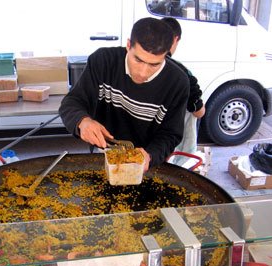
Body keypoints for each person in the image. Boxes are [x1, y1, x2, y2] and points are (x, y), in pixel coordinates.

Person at [59, 17, 189, 172]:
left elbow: (170, 134)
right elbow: (72, 102)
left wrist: (150, 156)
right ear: (128, 45)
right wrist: (82, 121)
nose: (143, 73)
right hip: (103, 153)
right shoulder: (103, 61)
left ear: (166, 55)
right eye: (138, 60)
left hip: (145, 161)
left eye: (154, 64)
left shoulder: (177, 82)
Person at [161, 17, 205, 166]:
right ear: (175, 39)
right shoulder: (183, 74)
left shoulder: (134, 65)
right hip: (166, 146)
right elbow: (199, 112)